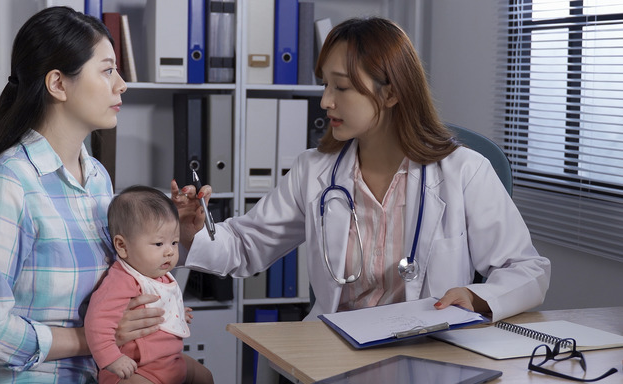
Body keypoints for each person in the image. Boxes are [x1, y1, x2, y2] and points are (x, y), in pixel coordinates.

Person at [0, 6, 251, 384]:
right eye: (107, 71)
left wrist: (169, 235)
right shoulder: (8, 183)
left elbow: (121, 281)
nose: (121, 84)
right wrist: (93, 339)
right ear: (57, 84)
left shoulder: (97, 179)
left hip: (94, 382)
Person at [171, 16, 551, 323]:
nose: (324, 101)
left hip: (432, 347)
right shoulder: (313, 172)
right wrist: (191, 234)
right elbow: (246, 245)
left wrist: (476, 295)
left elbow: (527, 269)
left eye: (342, 88)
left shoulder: (464, 172)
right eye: (325, 86)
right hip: (338, 350)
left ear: (390, 93)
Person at [85, 185, 215, 384]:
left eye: (174, 242)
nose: (169, 250)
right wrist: (112, 359)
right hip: (137, 371)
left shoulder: (159, 275)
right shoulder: (122, 280)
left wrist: (176, 311)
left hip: (171, 362)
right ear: (122, 246)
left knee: (205, 376)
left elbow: (160, 303)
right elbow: (97, 324)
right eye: (158, 243)